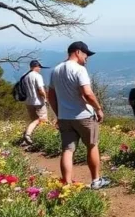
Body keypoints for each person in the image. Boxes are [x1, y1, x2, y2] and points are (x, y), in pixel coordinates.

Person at [47, 42, 109, 189]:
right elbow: (87, 93)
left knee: (68, 150)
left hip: (65, 117)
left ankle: (67, 184)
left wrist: (58, 114)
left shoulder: (55, 70)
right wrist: (98, 109)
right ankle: (96, 180)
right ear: (78, 52)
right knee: (92, 145)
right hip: (83, 116)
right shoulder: (79, 70)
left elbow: (51, 96)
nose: (87, 57)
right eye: (86, 54)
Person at [20, 60, 48, 147]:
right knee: (42, 120)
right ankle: (28, 135)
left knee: (34, 121)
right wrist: (45, 98)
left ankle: (27, 140)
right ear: (36, 66)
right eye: (39, 67)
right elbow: (40, 89)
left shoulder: (25, 76)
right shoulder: (37, 76)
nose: (40, 69)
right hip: (38, 102)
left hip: (28, 102)